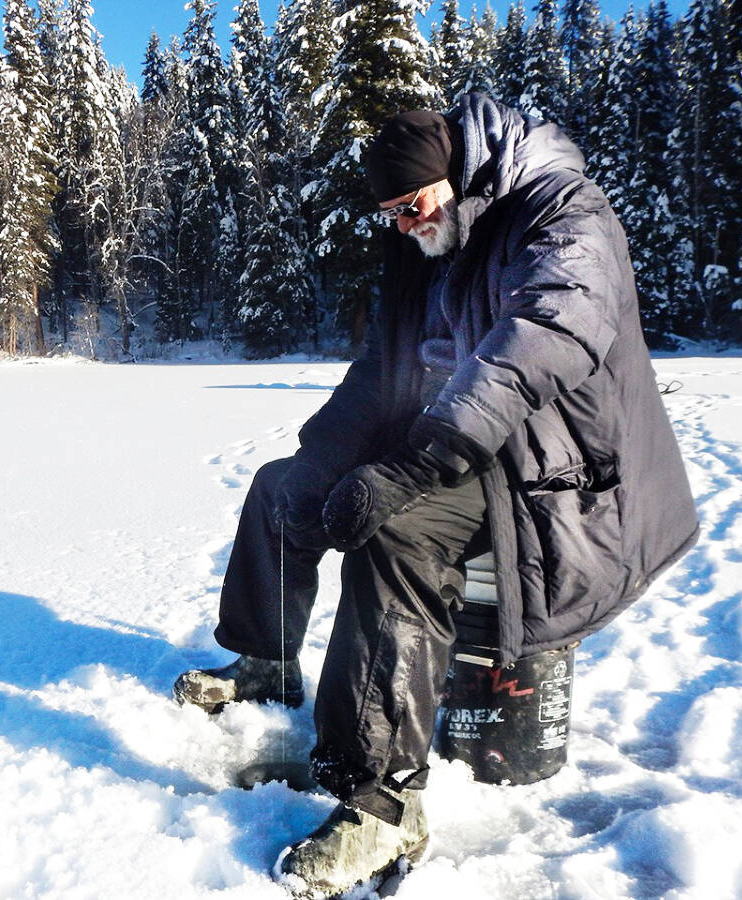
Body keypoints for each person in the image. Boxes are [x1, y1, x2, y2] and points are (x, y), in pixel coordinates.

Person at [172, 92, 699, 897]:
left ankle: (383, 804)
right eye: (390, 212)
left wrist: (411, 469)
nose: (404, 223)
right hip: (453, 441)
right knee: (285, 487)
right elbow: (385, 371)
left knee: (397, 536)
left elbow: (542, 343)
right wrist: (326, 461)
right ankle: (267, 661)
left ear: (456, 175)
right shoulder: (436, 237)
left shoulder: (563, 214)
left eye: (412, 204)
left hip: (553, 475)